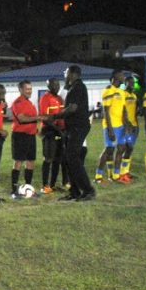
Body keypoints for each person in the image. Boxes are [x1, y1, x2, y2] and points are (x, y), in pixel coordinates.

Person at [50, 65, 95, 201]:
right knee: (68, 159)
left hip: (78, 127)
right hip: (72, 127)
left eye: (66, 72)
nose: (64, 74)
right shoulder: (73, 87)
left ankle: (88, 190)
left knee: (73, 158)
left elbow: (72, 108)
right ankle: (74, 191)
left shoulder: (78, 87)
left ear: (73, 74)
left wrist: (55, 116)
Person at [9, 80, 44, 198]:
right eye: (27, 89)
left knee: (30, 162)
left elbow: (32, 120)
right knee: (18, 161)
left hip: (30, 136)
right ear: (20, 90)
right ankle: (14, 190)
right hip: (20, 135)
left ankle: (28, 188)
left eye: (30, 88)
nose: (30, 91)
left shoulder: (30, 103)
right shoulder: (18, 102)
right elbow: (22, 118)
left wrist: (37, 132)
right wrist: (38, 117)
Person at [95, 70, 129, 184]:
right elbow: (106, 111)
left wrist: (126, 125)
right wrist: (110, 129)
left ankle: (115, 175)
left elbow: (123, 110)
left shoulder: (121, 92)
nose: (124, 77)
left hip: (120, 126)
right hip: (111, 126)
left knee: (121, 149)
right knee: (109, 150)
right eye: (122, 75)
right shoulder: (108, 91)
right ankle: (98, 176)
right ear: (116, 77)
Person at [38, 78, 66, 194]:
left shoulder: (59, 99)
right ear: (49, 87)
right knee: (48, 158)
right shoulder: (45, 98)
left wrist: (63, 130)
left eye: (58, 85)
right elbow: (45, 118)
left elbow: (62, 115)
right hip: (49, 131)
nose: (57, 87)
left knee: (57, 159)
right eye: (54, 85)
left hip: (59, 132)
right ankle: (45, 186)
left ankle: (53, 185)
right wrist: (58, 130)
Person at [120, 76, 139, 179]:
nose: (132, 84)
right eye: (130, 82)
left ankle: (126, 171)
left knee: (130, 149)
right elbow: (122, 110)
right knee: (126, 148)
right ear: (126, 83)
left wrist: (136, 124)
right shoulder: (123, 94)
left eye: (133, 83)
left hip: (134, 126)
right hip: (126, 126)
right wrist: (127, 124)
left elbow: (135, 111)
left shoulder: (134, 96)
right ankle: (121, 172)